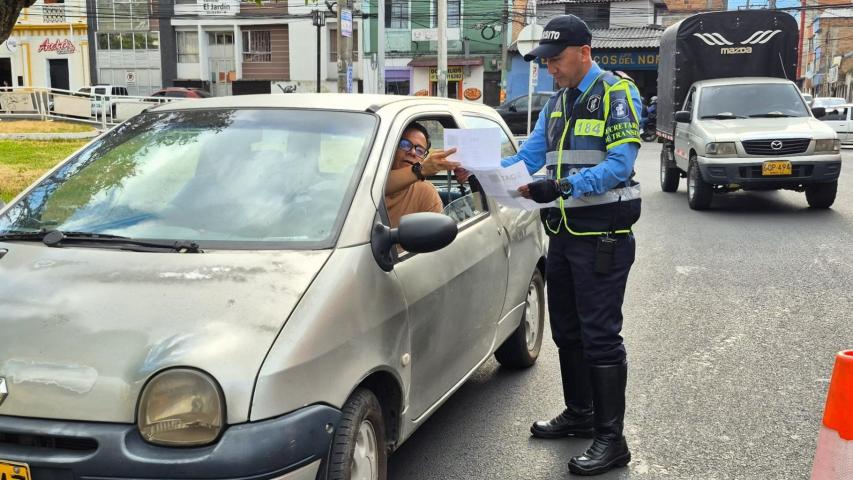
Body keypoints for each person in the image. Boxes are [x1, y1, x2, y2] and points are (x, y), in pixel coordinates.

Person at [506, 14, 643, 476]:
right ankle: (580, 413)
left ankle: (612, 439)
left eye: (556, 60)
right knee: (566, 330)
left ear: (584, 52)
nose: (550, 69)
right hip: (563, 234)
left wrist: (563, 186)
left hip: (603, 235)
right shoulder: (557, 103)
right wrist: (480, 170)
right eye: (545, 62)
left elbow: (620, 164)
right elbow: (528, 156)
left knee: (600, 336)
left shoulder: (615, 93)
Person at [384, 122, 459, 228]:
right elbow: (377, 186)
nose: (413, 152)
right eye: (405, 145)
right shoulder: (365, 178)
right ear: (393, 146)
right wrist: (421, 169)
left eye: (420, 150)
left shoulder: (425, 191)